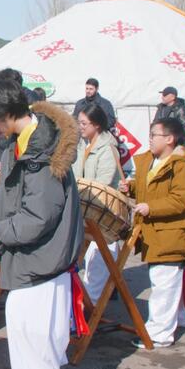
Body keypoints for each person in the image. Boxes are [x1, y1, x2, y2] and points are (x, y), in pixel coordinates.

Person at [0, 78, 82, 369]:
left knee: (37, 357)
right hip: (29, 260)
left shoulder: (42, 152)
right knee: (27, 345)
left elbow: (39, 216)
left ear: (5, 113)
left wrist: (0, 233)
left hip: (42, 264)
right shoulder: (19, 146)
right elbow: (7, 193)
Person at [119, 117, 185, 348]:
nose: (150, 139)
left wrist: (151, 207)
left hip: (170, 233)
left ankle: (159, 334)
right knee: (166, 280)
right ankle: (181, 317)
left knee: (163, 284)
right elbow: (146, 187)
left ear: (170, 139)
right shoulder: (149, 161)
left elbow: (180, 200)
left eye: (154, 135)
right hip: (153, 232)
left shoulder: (181, 166)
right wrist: (131, 187)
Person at [74, 104, 121, 303]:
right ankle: (84, 306)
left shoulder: (109, 149)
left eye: (84, 123)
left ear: (97, 125)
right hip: (85, 210)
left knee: (97, 263)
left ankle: (90, 309)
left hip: (104, 214)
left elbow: (103, 183)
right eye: (80, 122)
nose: (80, 127)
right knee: (83, 262)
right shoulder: (81, 145)